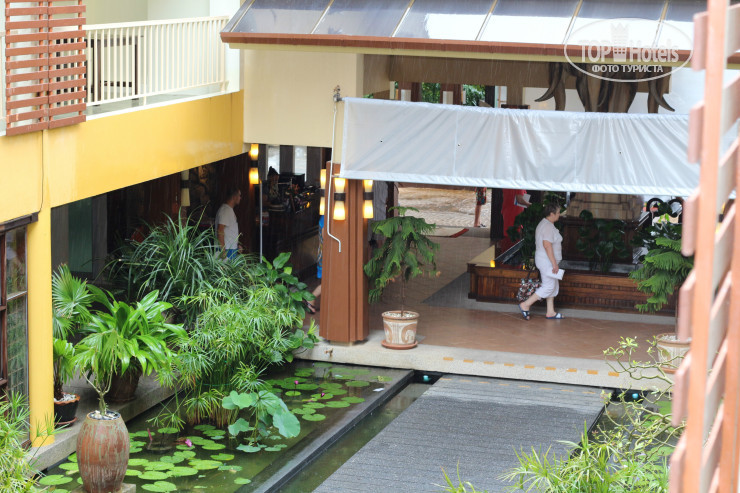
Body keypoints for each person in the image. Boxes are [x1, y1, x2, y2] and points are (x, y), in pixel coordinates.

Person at [518, 202, 564, 320]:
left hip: (546, 260)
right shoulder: (547, 226)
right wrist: (554, 263)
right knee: (549, 287)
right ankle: (525, 305)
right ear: (552, 214)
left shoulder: (545, 223)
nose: (559, 215)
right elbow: (547, 245)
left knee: (552, 286)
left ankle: (550, 311)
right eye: (558, 213)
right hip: (547, 261)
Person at [216, 187, 242, 259]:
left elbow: (230, 231)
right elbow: (220, 230)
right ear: (234, 197)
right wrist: (223, 250)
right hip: (227, 249)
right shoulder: (225, 210)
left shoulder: (229, 210)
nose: (240, 198)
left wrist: (237, 245)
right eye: (239, 195)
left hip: (231, 248)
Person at [306, 214, 323, 314]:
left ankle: (311, 299)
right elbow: (326, 237)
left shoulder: (324, 217)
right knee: (330, 281)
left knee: (328, 280)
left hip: (323, 253)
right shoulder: (326, 218)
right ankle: (311, 298)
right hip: (326, 255)